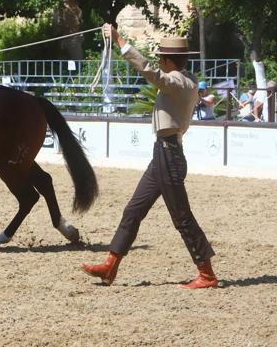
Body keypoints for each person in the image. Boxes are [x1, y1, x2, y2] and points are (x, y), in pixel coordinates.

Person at [81, 24, 218, 289]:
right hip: (164, 155)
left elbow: (149, 71)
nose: (158, 62)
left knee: (182, 217)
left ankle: (207, 274)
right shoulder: (188, 79)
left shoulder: (177, 81)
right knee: (134, 209)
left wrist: (120, 40)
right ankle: (111, 265)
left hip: (168, 156)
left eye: (161, 58)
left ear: (167, 60)